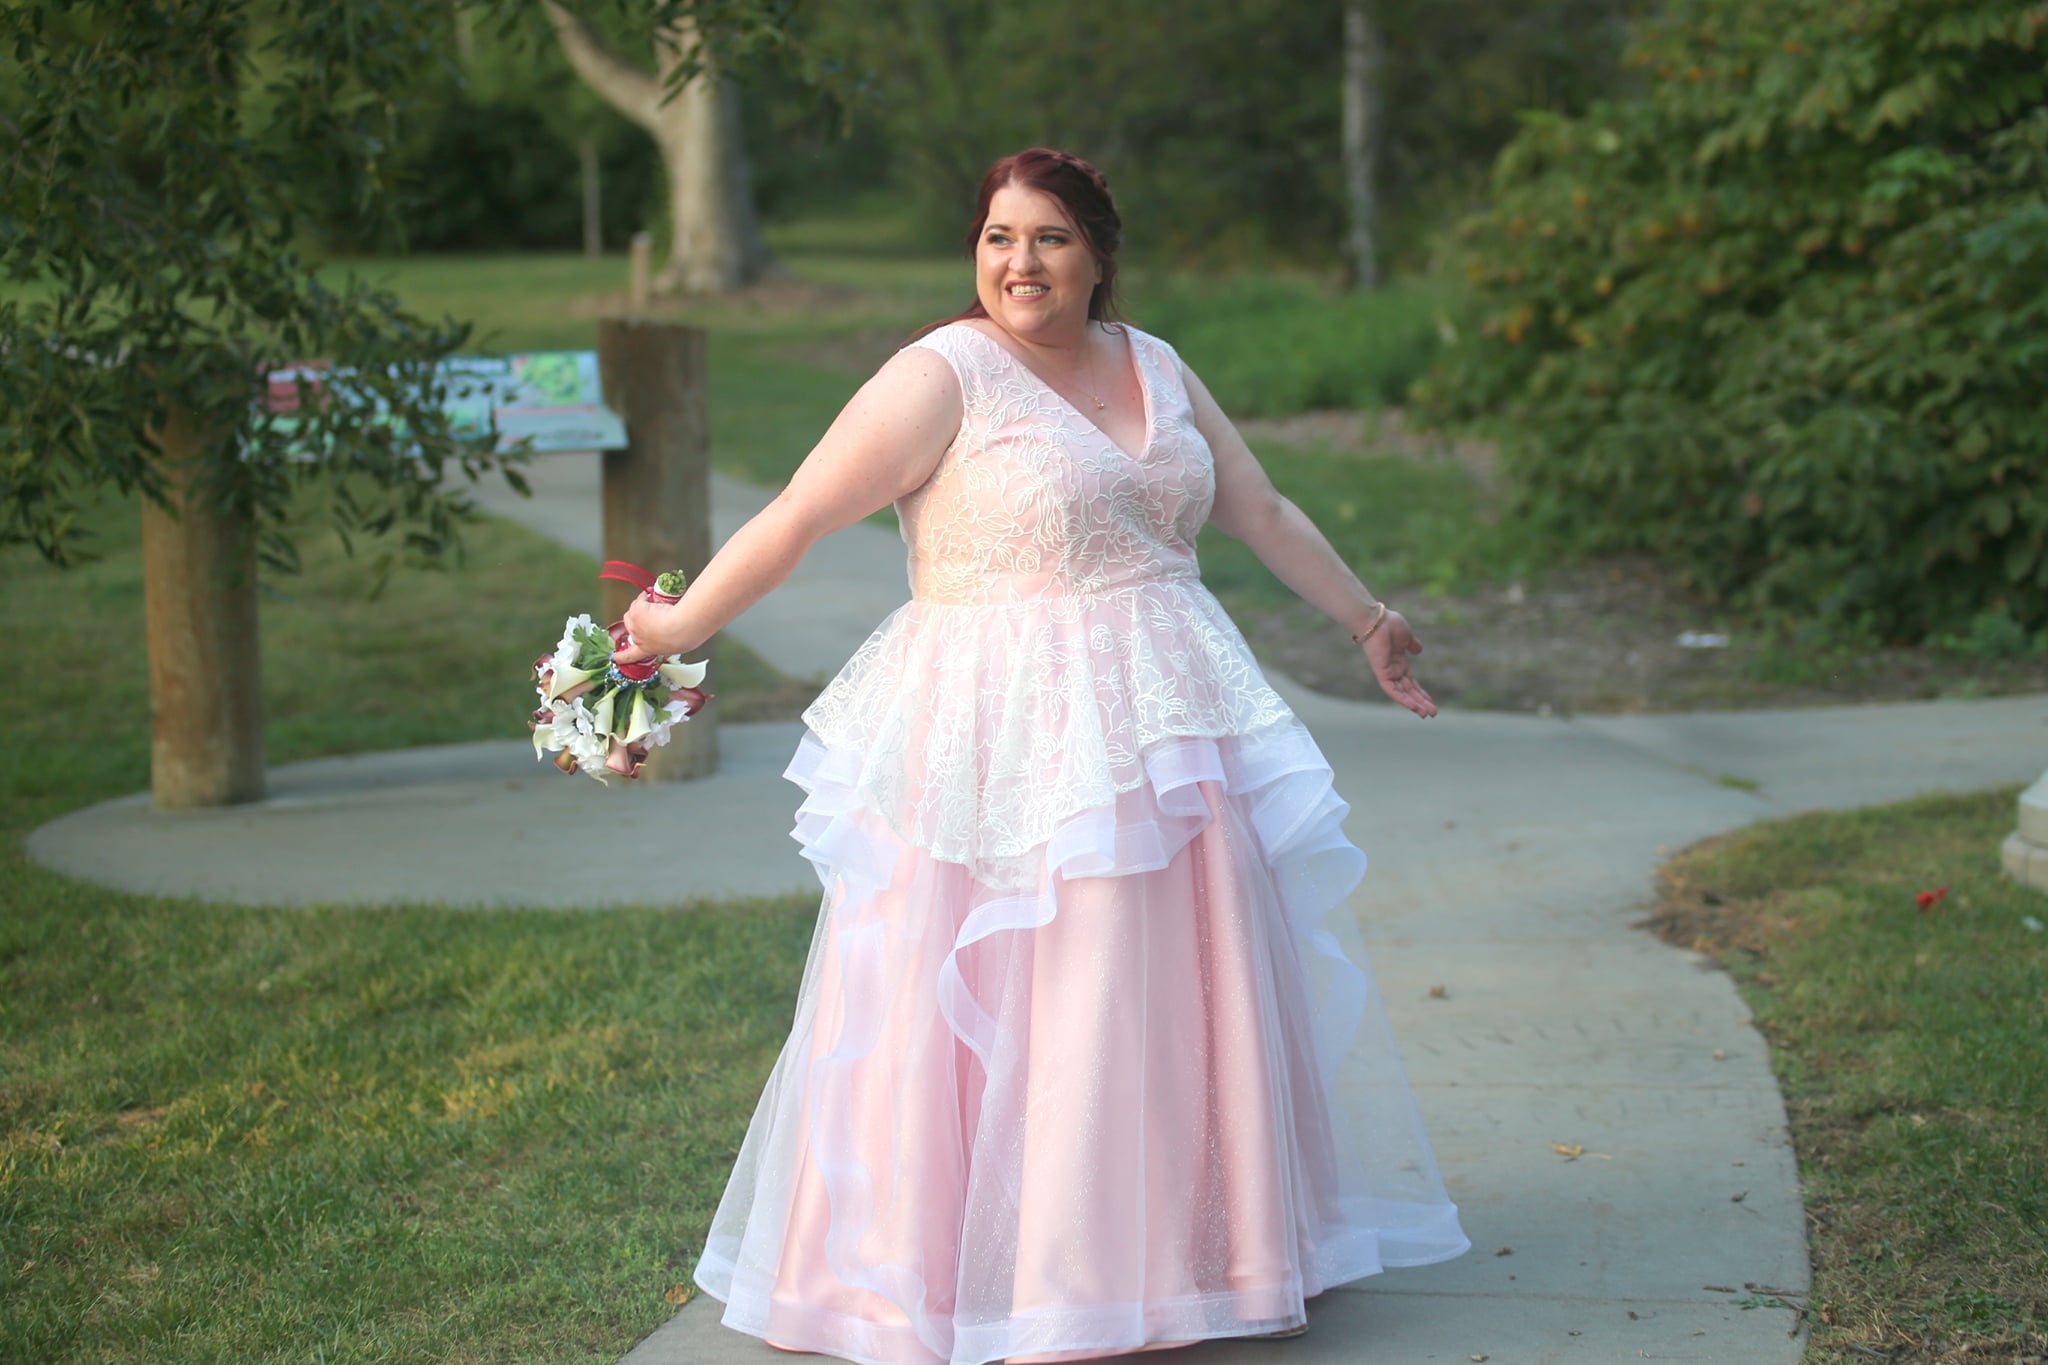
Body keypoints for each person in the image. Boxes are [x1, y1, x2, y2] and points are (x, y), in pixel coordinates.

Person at [613, 147, 1469, 1365]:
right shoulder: (941, 376)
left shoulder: (1157, 366)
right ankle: (1015, 1276)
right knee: (1034, 993)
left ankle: (1184, 1258)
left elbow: (1262, 510)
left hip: (1166, 725)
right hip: (995, 738)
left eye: (1051, 237)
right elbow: (803, 511)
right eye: (999, 237)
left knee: (1164, 989)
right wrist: (673, 631)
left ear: (1099, 255)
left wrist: (1367, 620)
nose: (1021, 263)